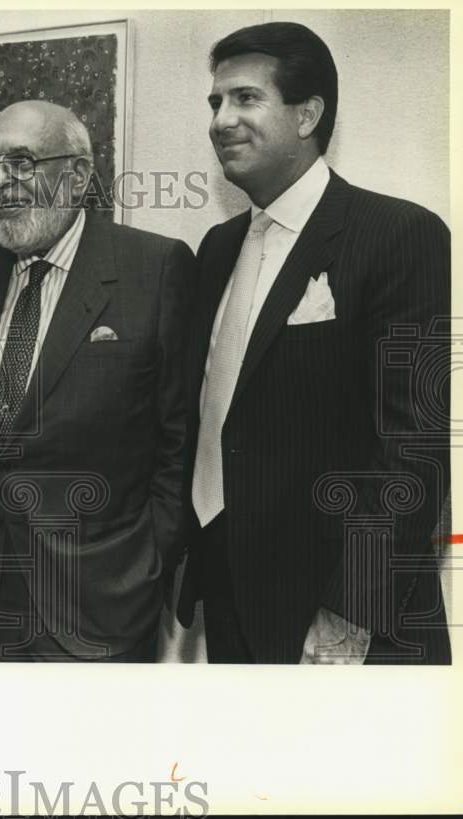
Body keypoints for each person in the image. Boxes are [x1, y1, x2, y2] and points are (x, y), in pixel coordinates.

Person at [176, 22, 451, 664]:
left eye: (245, 98)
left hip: (340, 622)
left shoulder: (397, 234)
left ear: (308, 115)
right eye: (215, 102)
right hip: (231, 599)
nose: (220, 120)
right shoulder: (217, 250)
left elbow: (413, 451)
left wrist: (347, 613)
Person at [0, 101, 194, 661]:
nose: (1, 184)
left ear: (78, 176)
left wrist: (150, 561)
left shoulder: (153, 269)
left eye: (23, 163)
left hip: (101, 599)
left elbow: (178, 439)